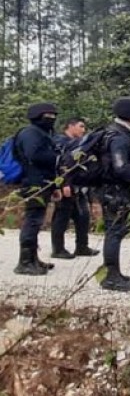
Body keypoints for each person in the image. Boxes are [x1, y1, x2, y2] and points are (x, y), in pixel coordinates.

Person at [99, 97, 130, 292]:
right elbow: (121, 167)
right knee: (114, 232)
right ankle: (111, 278)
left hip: (112, 190)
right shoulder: (119, 137)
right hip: (115, 191)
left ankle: (114, 273)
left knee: (115, 231)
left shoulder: (115, 133)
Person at [13, 103, 62, 275]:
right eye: (49, 116)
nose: (52, 119)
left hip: (43, 183)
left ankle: (33, 258)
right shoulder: (30, 133)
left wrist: (55, 185)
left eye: (54, 116)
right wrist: (57, 157)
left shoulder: (42, 133)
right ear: (37, 116)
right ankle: (25, 262)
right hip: (33, 184)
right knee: (32, 221)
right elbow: (34, 155)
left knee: (37, 221)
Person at [51, 117, 98, 259]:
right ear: (70, 126)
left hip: (80, 186)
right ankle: (58, 249)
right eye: (81, 126)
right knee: (61, 217)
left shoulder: (79, 145)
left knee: (83, 217)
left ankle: (82, 246)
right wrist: (63, 183)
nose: (83, 130)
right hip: (65, 185)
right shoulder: (60, 143)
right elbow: (59, 165)